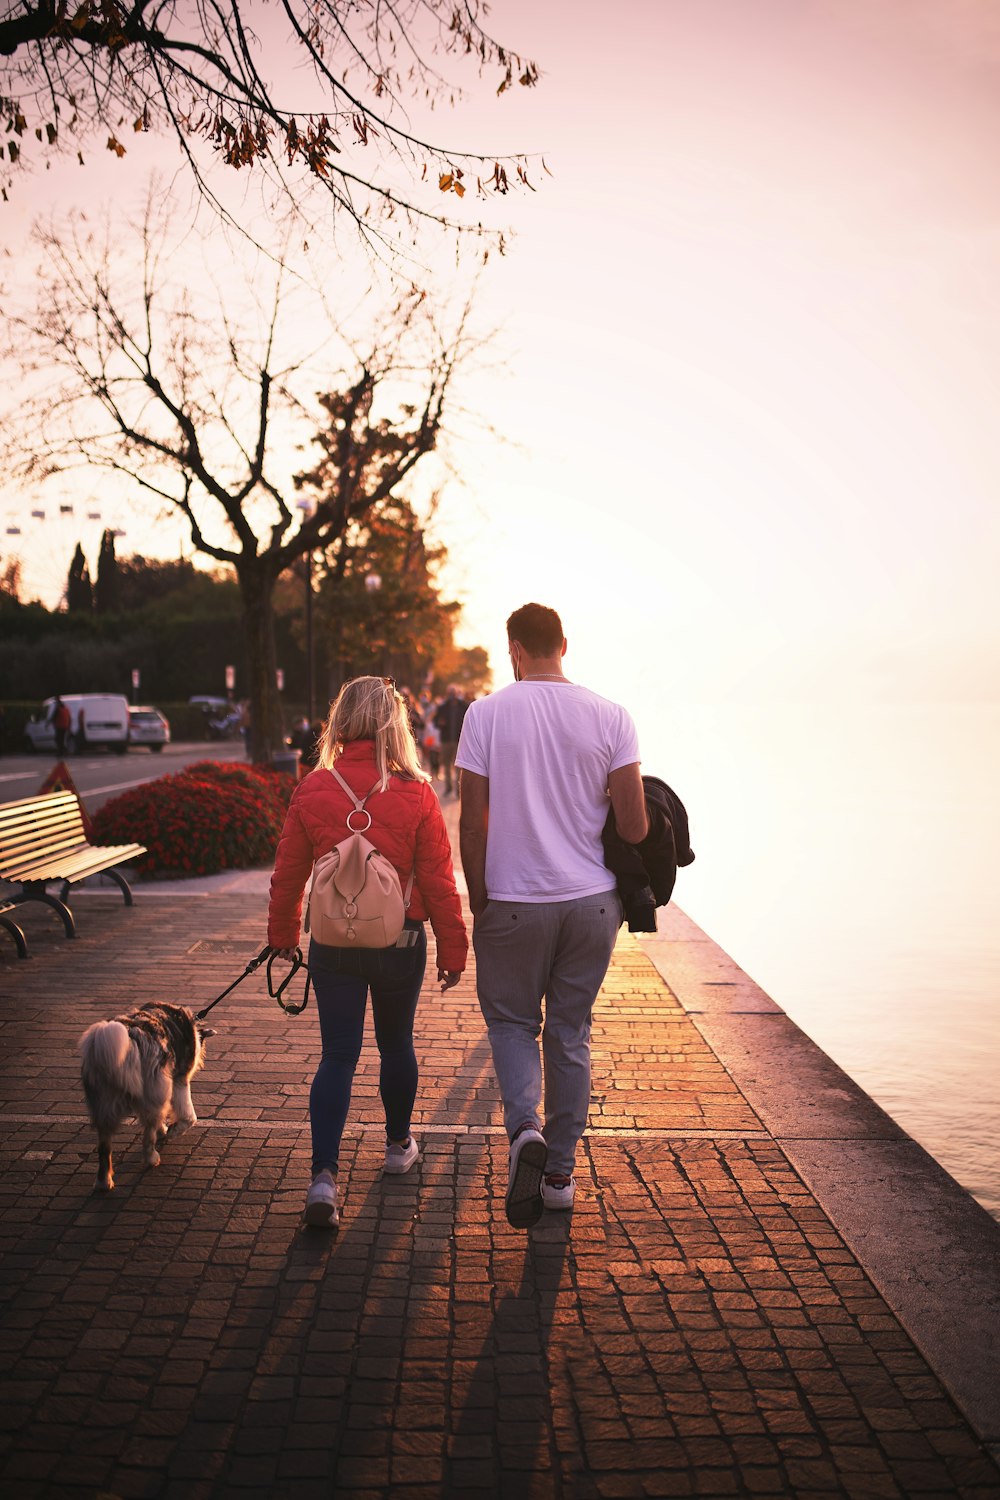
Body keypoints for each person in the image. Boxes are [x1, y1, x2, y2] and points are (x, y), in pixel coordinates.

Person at [456, 604, 648, 1228]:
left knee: (512, 1025)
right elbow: (633, 825)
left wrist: (480, 898)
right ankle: (561, 1174)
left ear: (513, 649)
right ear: (564, 644)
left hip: (512, 901)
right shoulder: (612, 716)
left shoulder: (484, 715)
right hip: (590, 903)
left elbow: (471, 822)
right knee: (570, 1032)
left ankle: (523, 1135)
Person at [268, 675, 468, 1228]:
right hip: (400, 938)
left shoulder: (313, 788)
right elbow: (438, 879)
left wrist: (283, 936)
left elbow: (287, 875)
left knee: (337, 1055)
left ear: (341, 722)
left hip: (333, 940)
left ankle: (324, 1178)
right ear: (394, 724)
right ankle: (398, 1145)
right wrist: (453, 947)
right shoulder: (417, 793)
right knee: (395, 1044)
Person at [434, 685, 468, 796]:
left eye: (454, 692)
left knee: (459, 766)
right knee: (446, 765)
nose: (452, 695)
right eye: (450, 692)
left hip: (460, 740)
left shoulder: (464, 706)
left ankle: (459, 790)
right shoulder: (442, 707)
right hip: (446, 740)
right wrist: (440, 723)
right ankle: (448, 788)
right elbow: (436, 722)